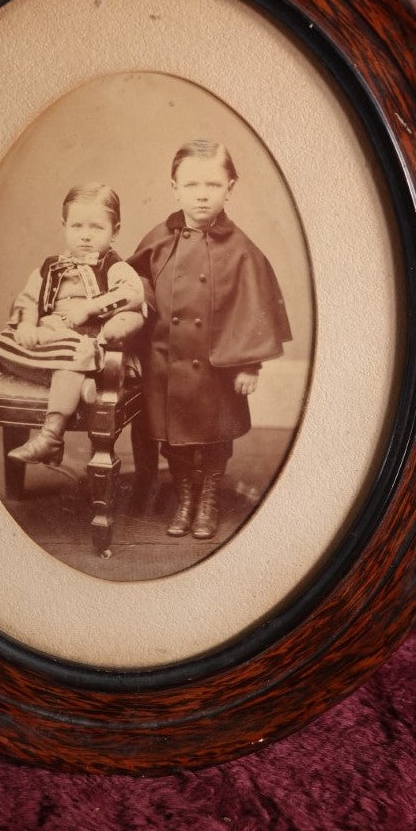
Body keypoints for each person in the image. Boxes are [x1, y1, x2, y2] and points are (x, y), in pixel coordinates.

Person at [128, 139, 292, 540]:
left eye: (213, 185)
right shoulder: (157, 239)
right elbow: (135, 289)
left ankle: (209, 499)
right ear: (174, 187)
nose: (202, 195)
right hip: (166, 362)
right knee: (174, 434)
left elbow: (254, 307)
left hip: (217, 366)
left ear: (230, 188)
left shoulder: (242, 251)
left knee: (216, 434)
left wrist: (250, 365)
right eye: (191, 185)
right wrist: (132, 346)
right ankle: (185, 497)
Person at [0, 183, 144, 465]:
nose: (85, 236)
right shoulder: (49, 266)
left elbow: (132, 294)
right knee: (4, 342)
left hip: (88, 342)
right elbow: (28, 299)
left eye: (96, 228)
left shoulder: (112, 266)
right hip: (50, 341)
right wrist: (27, 326)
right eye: (77, 226)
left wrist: (90, 307)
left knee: (74, 351)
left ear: (115, 231)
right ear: (64, 226)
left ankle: (51, 437)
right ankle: (77, 383)